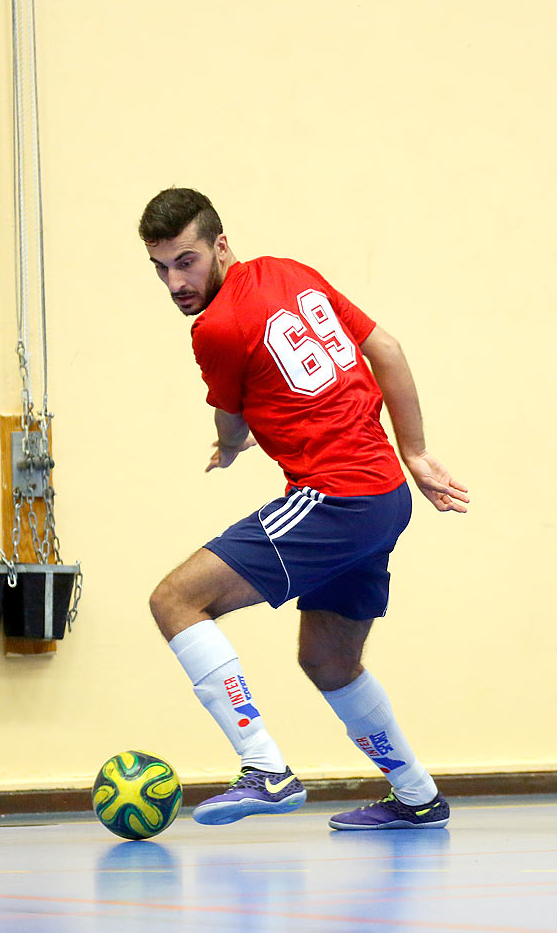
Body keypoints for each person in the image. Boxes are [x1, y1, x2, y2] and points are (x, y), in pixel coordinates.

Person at [140, 187, 469, 831]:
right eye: (161, 269)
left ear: (220, 244)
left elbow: (231, 419)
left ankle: (264, 770)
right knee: (327, 658)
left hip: (336, 497)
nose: (176, 282)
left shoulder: (214, 328)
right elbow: (389, 349)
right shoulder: (289, 272)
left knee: (175, 600)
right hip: (383, 497)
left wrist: (229, 447)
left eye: (186, 261)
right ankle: (417, 795)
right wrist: (418, 452)